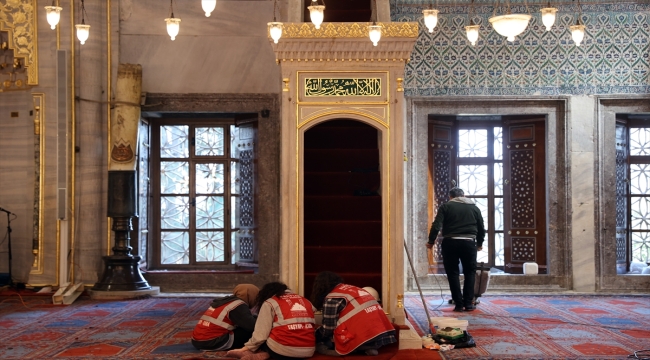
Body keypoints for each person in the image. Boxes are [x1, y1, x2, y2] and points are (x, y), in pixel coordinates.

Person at [426, 187, 485, 312]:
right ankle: (468, 303)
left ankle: (458, 304)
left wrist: (431, 241)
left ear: (450, 197)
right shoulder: (474, 208)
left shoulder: (446, 207)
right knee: (470, 272)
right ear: (463, 195)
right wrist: (479, 243)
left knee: (453, 273)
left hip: (450, 242)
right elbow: (481, 227)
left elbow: (436, 225)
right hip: (469, 243)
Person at [311, 271, 396, 356]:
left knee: (324, 343)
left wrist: (314, 335)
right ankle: (368, 348)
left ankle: (360, 348)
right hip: (381, 336)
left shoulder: (331, 298)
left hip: (363, 337)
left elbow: (328, 329)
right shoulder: (354, 289)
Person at [226, 282, 316, 360]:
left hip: (283, 351)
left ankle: (261, 353)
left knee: (266, 333)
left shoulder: (270, 302)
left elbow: (260, 335)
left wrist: (246, 348)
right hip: (309, 350)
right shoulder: (305, 301)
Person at [192, 283, 259, 350]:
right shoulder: (238, 305)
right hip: (212, 342)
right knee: (255, 332)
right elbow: (252, 326)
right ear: (251, 296)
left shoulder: (226, 302)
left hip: (197, 341)